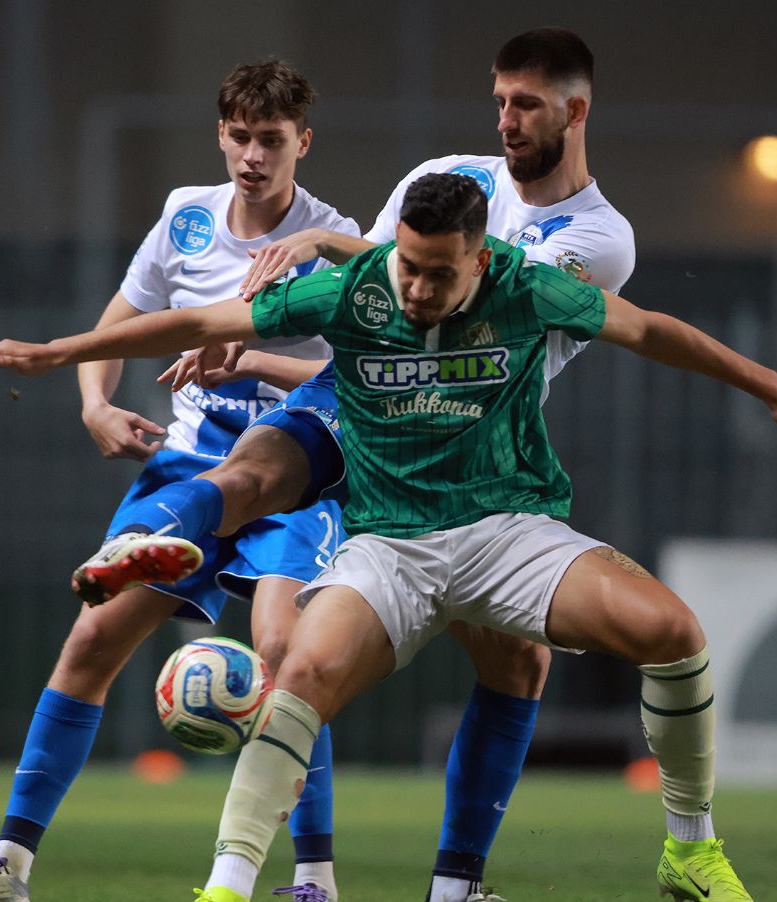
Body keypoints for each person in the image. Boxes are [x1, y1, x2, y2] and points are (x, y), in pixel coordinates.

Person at [0, 173, 777, 901]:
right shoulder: (357, 288)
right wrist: (61, 352)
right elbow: (204, 322)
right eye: (408, 268)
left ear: (482, 259)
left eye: (439, 274)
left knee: (675, 633)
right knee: (299, 677)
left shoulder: (529, 286)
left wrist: (773, 387)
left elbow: (654, 331)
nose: (418, 289)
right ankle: (227, 890)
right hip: (389, 544)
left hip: (506, 531)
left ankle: (690, 851)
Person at [84, 28, 634, 901]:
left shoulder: (599, 239)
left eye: (525, 104)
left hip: (467, 457)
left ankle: (436, 885)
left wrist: (304, 266)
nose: (505, 119)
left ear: (576, 111)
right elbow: (378, 286)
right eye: (499, 99)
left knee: (513, 665)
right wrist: (99, 365)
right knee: (262, 524)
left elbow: (468, 301)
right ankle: (270, 873)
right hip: (368, 408)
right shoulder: (449, 176)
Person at [0, 60, 357, 902]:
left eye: (272, 140)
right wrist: (94, 404)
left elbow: (351, 372)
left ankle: (313, 880)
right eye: (241, 136)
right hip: (194, 457)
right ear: (220, 134)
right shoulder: (186, 218)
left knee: (285, 652)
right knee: (90, 642)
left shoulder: (332, 239)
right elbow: (122, 322)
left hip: (296, 470)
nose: (254, 156)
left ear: (303, 142)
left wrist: (250, 358)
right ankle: (8, 865)